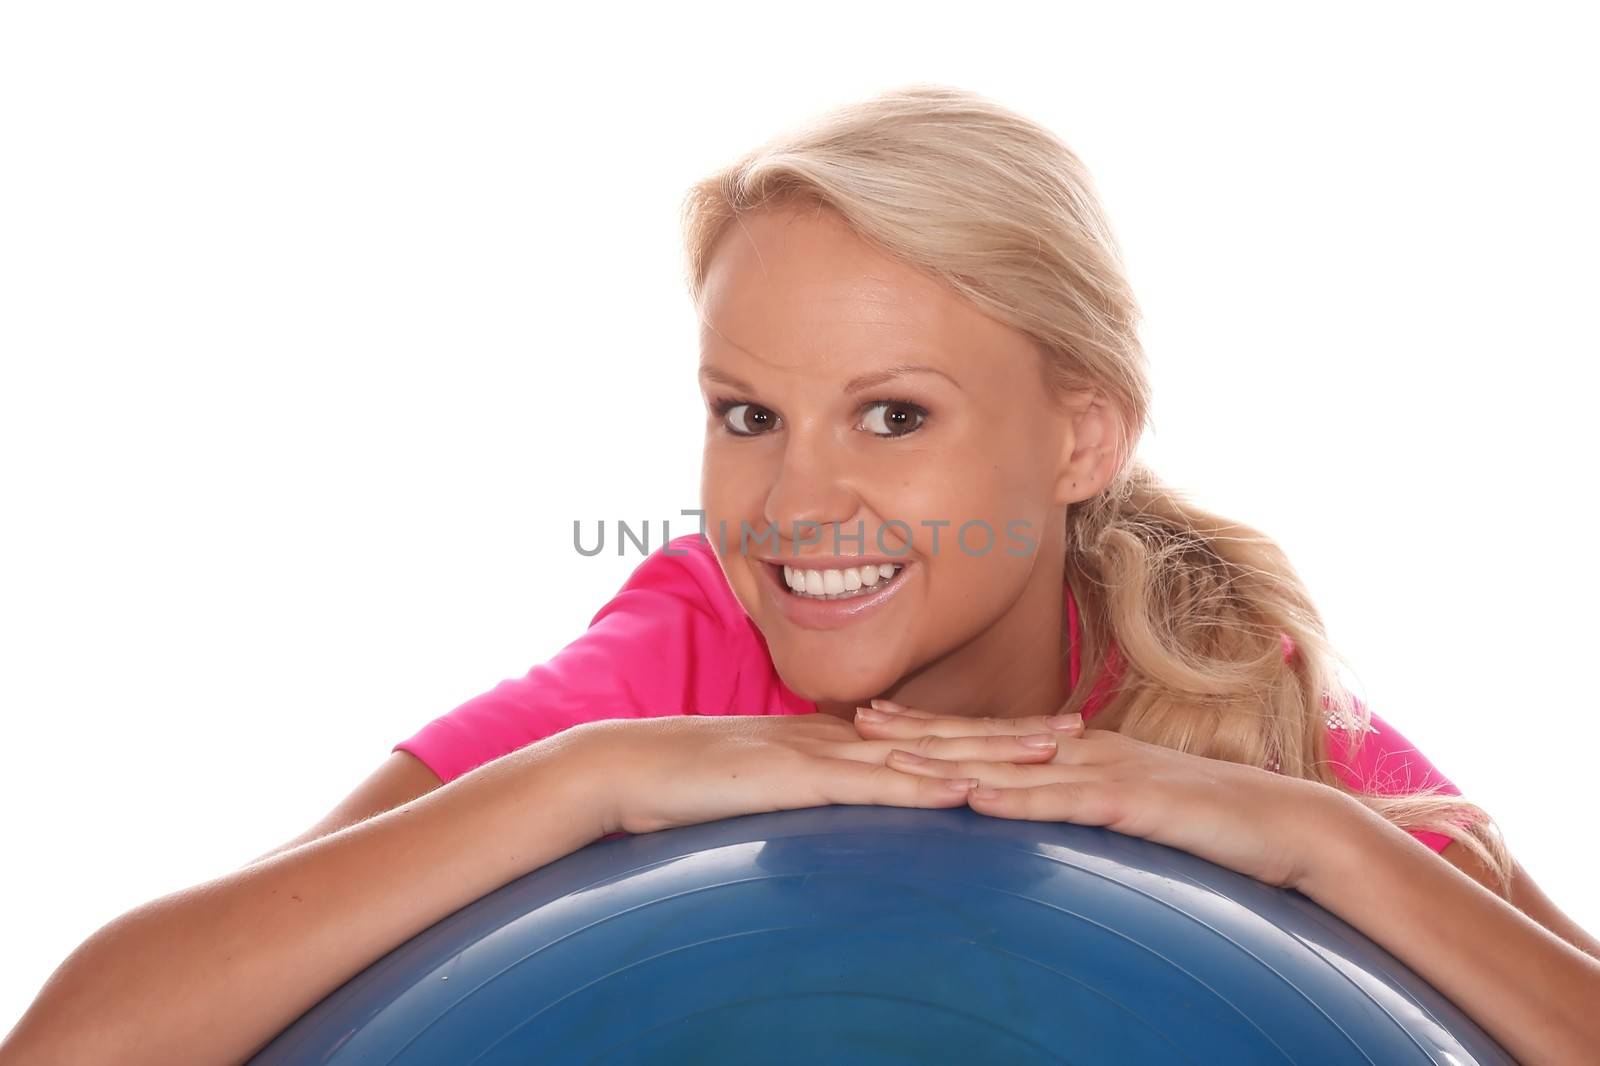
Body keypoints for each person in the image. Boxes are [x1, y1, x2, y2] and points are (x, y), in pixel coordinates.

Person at [5, 84, 1597, 1065]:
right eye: (745, 413)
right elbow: (80, 1043)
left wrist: (1324, 838)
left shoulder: (1207, 661)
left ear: (1080, 436)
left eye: (893, 415)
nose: (794, 500)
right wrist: (588, 778)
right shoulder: (681, 652)